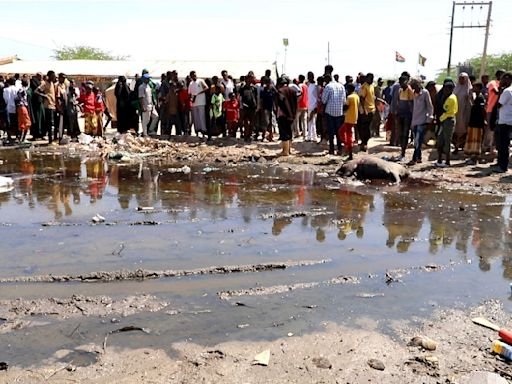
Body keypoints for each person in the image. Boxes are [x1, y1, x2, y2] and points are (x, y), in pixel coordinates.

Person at [409, 78, 434, 164]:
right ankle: (419, 157)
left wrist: (429, 119)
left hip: (422, 120)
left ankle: (414, 158)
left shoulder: (425, 93)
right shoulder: (413, 94)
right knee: (417, 140)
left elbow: (430, 107)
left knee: (417, 140)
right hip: (414, 120)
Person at [321, 73, 346, 155]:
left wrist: (323, 111)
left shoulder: (328, 87)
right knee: (339, 132)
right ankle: (340, 149)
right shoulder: (341, 86)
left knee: (331, 132)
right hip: (339, 112)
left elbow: (324, 100)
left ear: (327, 79)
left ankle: (331, 149)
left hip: (330, 113)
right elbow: (344, 101)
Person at [436, 81, 458, 167]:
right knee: (440, 139)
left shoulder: (451, 98)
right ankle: (440, 160)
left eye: (446, 88)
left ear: (451, 89)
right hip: (444, 120)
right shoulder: (448, 96)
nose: (444, 90)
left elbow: (445, 110)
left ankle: (447, 161)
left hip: (448, 120)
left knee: (447, 141)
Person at [463, 82, 486, 164]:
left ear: (479, 88)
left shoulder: (480, 98)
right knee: (473, 140)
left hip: (477, 123)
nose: (473, 88)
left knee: (476, 141)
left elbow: (481, 110)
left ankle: (474, 159)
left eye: (475, 87)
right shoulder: (477, 98)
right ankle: (473, 157)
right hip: (474, 122)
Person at [276, 75, 298, 156]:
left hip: (283, 115)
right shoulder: (293, 91)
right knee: (289, 132)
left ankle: (285, 152)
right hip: (291, 115)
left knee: (284, 133)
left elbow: (281, 103)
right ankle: (289, 150)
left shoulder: (280, 91)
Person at [495, 72, 512, 173]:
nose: (500, 81)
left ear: (507, 79)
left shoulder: (507, 91)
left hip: (504, 121)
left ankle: (502, 166)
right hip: (509, 120)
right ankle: (501, 164)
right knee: (505, 144)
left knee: (503, 145)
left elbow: (499, 105)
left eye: (502, 79)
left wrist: (500, 90)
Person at [484, 69, 505, 153]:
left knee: (496, 129)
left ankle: (492, 147)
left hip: (499, 109)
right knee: (489, 128)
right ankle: (485, 147)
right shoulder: (493, 83)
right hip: (491, 108)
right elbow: (497, 92)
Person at [452, 72, 472, 154]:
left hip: (465, 112)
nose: (461, 80)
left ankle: (463, 147)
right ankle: (456, 147)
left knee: (464, 129)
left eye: (463, 78)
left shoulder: (469, 89)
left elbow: (471, 102)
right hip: (456, 112)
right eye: (460, 78)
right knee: (455, 129)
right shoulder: (456, 88)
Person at [35, 71, 57, 144]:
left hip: (53, 105)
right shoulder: (44, 83)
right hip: (48, 106)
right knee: (49, 123)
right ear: (49, 76)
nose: (54, 77)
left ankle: (53, 139)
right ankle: (50, 140)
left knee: (53, 123)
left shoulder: (52, 83)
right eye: (53, 76)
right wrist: (45, 96)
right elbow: (36, 91)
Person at [396, 75, 414, 160]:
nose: (400, 83)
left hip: (407, 115)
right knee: (400, 134)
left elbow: (411, 104)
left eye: (401, 82)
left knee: (405, 134)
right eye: (399, 82)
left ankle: (403, 153)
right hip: (401, 114)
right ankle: (401, 152)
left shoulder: (409, 90)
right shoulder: (400, 90)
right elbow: (399, 102)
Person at [339, 83, 359, 160]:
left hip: (349, 118)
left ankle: (349, 151)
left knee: (348, 135)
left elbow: (346, 107)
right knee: (342, 131)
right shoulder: (356, 96)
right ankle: (348, 147)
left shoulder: (350, 97)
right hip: (354, 117)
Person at [358, 73, 376, 151]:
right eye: (370, 78)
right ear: (367, 78)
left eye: (372, 78)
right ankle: (364, 143)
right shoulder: (364, 87)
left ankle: (365, 142)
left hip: (371, 109)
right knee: (364, 127)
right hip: (365, 110)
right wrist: (364, 109)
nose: (372, 80)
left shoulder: (372, 86)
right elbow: (361, 98)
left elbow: (372, 97)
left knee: (369, 127)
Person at [188, 70, 208, 136]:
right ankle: (197, 130)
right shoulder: (191, 83)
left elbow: (206, 88)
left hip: (201, 102)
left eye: (195, 75)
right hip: (194, 103)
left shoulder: (200, 81)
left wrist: (198, 94)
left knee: (202, 117)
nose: (194, 76)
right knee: (196, 118)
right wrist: (191, 99)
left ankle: (204, 130)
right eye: (192, 75)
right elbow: (189, 93)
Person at [239, 71, 258, 142]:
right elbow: (240, 97)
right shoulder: (243, 88)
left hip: (253, 107)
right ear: (247, 79)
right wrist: (241, 107)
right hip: (245, 107)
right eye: (250, 78)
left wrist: (257, 106)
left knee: (252, 123)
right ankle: (246, 136)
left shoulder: (254, 88)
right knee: (246, 122)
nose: (251, 80)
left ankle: (249, 135)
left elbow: (256, 97)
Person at [306, 71, 318, 142]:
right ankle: (311, 136)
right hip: (309, 105)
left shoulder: (315, 86)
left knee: (312, 121)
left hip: (314, 106)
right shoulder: (309, 85)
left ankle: (312, 137)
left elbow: (316, 97)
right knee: (310, 121)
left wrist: (315, 107)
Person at [295, 74, 309, 140]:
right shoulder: (306, 86)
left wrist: (297, 101)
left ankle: (297, 133)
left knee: (296, 119)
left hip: (300, 104)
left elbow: (300, 94)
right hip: (305, 104)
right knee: (304, 120)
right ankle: (305, 134)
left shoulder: (300, 86)